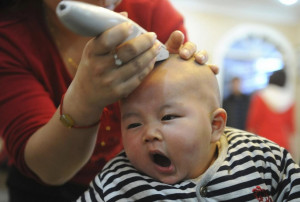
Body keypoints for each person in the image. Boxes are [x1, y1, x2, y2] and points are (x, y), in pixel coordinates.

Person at [0, 0, 217, 201]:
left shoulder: (151, 10)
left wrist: (184, 80)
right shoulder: (10, 37)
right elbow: (47, 168)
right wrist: (84, 98)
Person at [77, 55, 300, 201]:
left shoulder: (260, 157)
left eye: (167, 117)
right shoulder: (117, 182)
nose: (149, 134)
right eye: (134, 123)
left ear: (215, 126)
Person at [246, 69, 295, 152]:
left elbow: (252, 124)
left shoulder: (260, 97)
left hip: (263, 144)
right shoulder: (289, 101)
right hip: (282, 146)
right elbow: (291, 129)